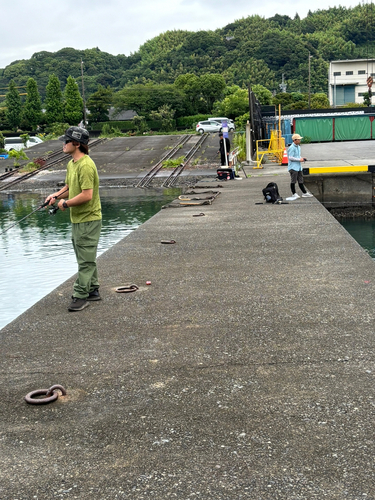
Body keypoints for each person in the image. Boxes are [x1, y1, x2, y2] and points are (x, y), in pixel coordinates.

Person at [45, 126, 102, 312]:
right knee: (83, 257)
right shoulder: (72, 164)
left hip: (89, 219)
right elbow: (69, 188)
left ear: (76, 144)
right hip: (78, 219)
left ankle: (80, 295)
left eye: (66, 141)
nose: (63, 144)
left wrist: (66, 204)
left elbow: (87, 195)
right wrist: (55, 196)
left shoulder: (86, 165)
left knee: (85, 261)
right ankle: (92, 290)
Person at [285, 133, 313, 201]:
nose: (300, 140)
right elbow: (290, 157)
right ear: (295, 140)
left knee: (300, 180)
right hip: (293, 167)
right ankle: (294, 193)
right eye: (299, 139)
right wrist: (299, 159)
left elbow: (297, 156)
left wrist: (302, 158)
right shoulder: (292, 148)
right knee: (293, 181)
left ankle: (304, 193)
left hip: (298, 167)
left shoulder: (298, 147)